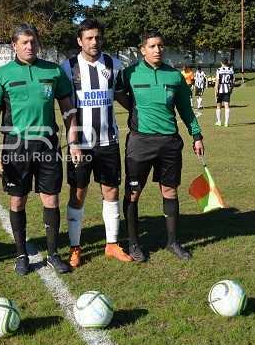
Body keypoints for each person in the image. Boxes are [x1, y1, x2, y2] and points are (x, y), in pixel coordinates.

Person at [0, 23, 81, 276]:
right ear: (14, 45)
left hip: (48, 144)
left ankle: (53, 254)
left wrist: (73, 141)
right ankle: (21, 255)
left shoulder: (53, 71)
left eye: (33, 42)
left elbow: (68, 109)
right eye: (24, 42)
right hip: (15, 146)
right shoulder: (2, 75)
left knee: (51, 198)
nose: (30, 46)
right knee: (18, 199)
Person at [115, 29, 204, 261]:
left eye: (160, 46)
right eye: (152, 46)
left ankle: (172, 242)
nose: (157, 50)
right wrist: (133, 108)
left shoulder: (174, 76)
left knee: (170, 190)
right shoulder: (129, 73)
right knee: (133, 192)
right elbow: (117, 92)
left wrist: (196, 135)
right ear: (142, 50)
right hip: (140, 142)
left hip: (169, 143)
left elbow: (185, 109)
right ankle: (134, 243)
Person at [59, 19, 133, 267]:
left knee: (111, 191)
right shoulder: (67, 67)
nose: (94, 42)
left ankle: (112, 244)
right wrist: (72, 141)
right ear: (80, 41)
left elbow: (121, 94)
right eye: (89, 38)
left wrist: (139, 111)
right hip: (79, 143)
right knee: (78, 193)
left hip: (108, 141)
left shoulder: (114, 64)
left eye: (98, 37)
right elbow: (63, 104)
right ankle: (75, 247)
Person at [214, 59, 235, 127]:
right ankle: (226, 123)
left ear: (221, 63)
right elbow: (233, 81)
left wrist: (215, 91)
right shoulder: (231, 70)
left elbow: (217, 81)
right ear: (227, 63)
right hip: (227, 90)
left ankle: (219, 122)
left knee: (218, 106)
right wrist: (231, 89)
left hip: (220, 90)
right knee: (227, 106)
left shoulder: (219, 70)